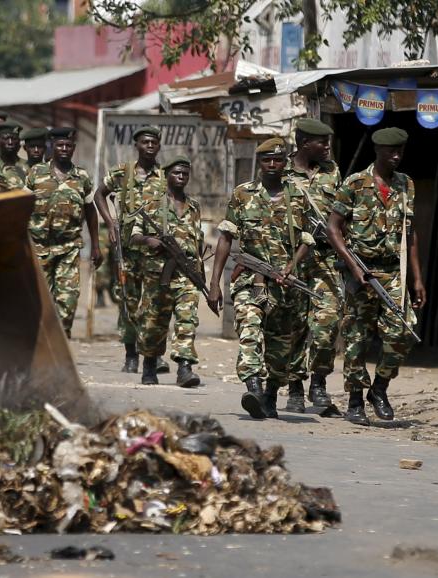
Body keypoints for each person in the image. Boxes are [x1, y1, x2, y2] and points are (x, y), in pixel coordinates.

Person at [207, 138, 316, 419]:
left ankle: (269, 395)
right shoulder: (243, 194)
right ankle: (253, 385)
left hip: (286, 284)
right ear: (260, 162)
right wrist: (214, 283)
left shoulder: (299, 196)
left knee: (281, 348)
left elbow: (308, 239)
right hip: (249, 279)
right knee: (250, 326)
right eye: (266, 159)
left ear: (285, 163)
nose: (271, 165)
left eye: (277, 160)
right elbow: (226, 237)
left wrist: (292, 266)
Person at [326, 127, 425, 425]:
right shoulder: (355, 184)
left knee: (403, 331)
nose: (396, 156)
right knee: (356, 338)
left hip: (394, 270)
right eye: (390, 151)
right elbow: (333, 228)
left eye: (400, 151)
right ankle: (355, 399)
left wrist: (417, 279)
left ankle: (379, 388)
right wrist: (353, 268)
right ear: (378, 151)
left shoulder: (406, 185)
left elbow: (410, 233)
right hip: (361, 271)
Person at [94, 126, 169, 375]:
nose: (150, 146)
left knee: (154, 304)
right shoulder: (122, 174)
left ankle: (153, 354)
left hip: (155, 252)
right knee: (127, 300)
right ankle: (130, 354)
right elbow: (99, 195)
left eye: (154, 143)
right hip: (127, 250)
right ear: (136, 145)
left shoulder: (165, 176)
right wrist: (110, 222)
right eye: (145, 142)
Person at [130, 155, 204, 388]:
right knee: (154, 322)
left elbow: (198, 243)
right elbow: (132, 237)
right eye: (176, 173)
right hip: (157, 274)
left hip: (186, 274)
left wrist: (200, 273)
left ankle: (185, 368)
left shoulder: (194, 207)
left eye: (185, 173)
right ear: (166, 176)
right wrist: (149, 241)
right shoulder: (151, 204)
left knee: (187, 318)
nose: (181, 177)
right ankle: (149, 364)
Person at [286, 118, 343, 411]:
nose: (328, 147)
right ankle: (294, 386)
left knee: (327, 323)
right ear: (304, 143)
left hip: (325, 259)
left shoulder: (332, 172)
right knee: (294, 325)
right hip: (291, 260)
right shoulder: (280, 173)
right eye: (322, 142)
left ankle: (318, 382)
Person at [24, 127, 102, 336]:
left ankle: (62, 337)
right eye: (60, 145)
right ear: (53, 147)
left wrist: (96, 245)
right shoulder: (35, 173)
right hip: (39, 246)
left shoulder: (82, 177)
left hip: (69, 247)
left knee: (68, 299)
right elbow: (22, 207)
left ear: (74, 148)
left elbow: (90, 211)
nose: (65, 149)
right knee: (39, 299)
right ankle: (39, 342)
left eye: (68, 146)